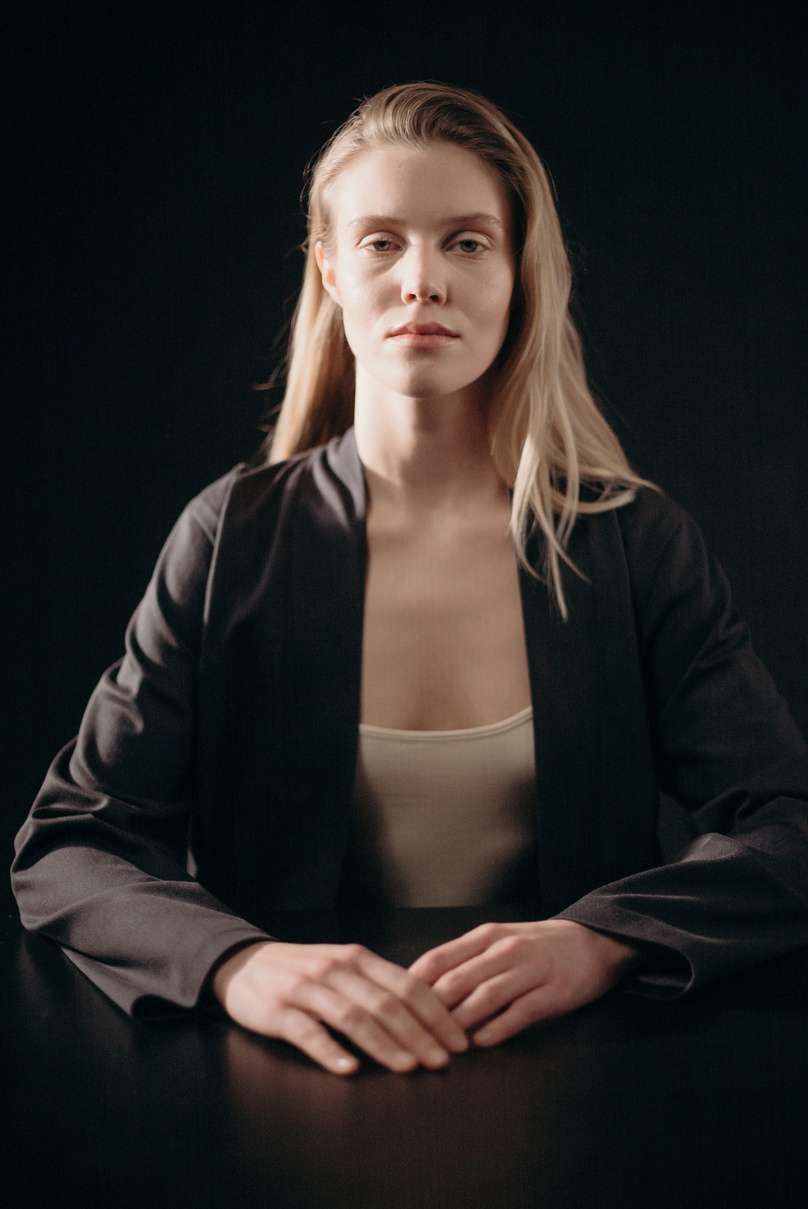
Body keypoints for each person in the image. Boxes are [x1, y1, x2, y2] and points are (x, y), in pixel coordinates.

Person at [12, 82, 808, 1077]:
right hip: (288, 1088)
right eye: (381, 241)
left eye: (467, 241)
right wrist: (235, 963)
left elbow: (788, 821)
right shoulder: (230, 539)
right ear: (332, 272)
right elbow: (68, 842)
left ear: (521, 272)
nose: (422, 280)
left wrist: (607, 940)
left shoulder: (635, 542)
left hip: (588, 1080)